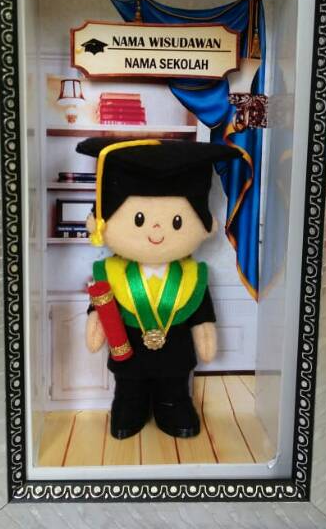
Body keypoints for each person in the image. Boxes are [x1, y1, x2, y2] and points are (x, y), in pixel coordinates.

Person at [77, 137, 241, 439]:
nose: (156, 231)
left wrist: (205, 339)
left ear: (206, 226)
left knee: (175, 385)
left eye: (177, 222)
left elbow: (202, 317)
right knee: (128, 387)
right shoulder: (109, 274)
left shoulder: (193, 277)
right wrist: (96, 325)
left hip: (175, 355)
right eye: (139, 220)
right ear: (99, 223)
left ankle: (173, 404)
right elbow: (99, 310)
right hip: (128, 355)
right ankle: (129, 404)